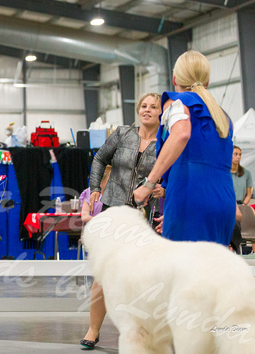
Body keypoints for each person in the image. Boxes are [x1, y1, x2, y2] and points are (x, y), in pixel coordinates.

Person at [81, 92, 163, 350]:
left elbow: (175, 175)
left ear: (161, 113)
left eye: (153, 107)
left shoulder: (165, 141)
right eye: (143, 106)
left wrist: (165, 189)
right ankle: (93, 330)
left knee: (142, 275)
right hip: (112, 209)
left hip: (143, 216)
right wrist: (95, 186)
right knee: (103, 274)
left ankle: (139, 333)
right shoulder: (122, 133)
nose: (147, 110)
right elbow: (99, 158)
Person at [134, 50, 236, 246]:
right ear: (206, 81)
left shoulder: (178, 103)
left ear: (174, 79)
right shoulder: (222, 116)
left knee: (183, 271)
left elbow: (181, 134)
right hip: (223, 201)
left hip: (190, 195)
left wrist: (148, 184)